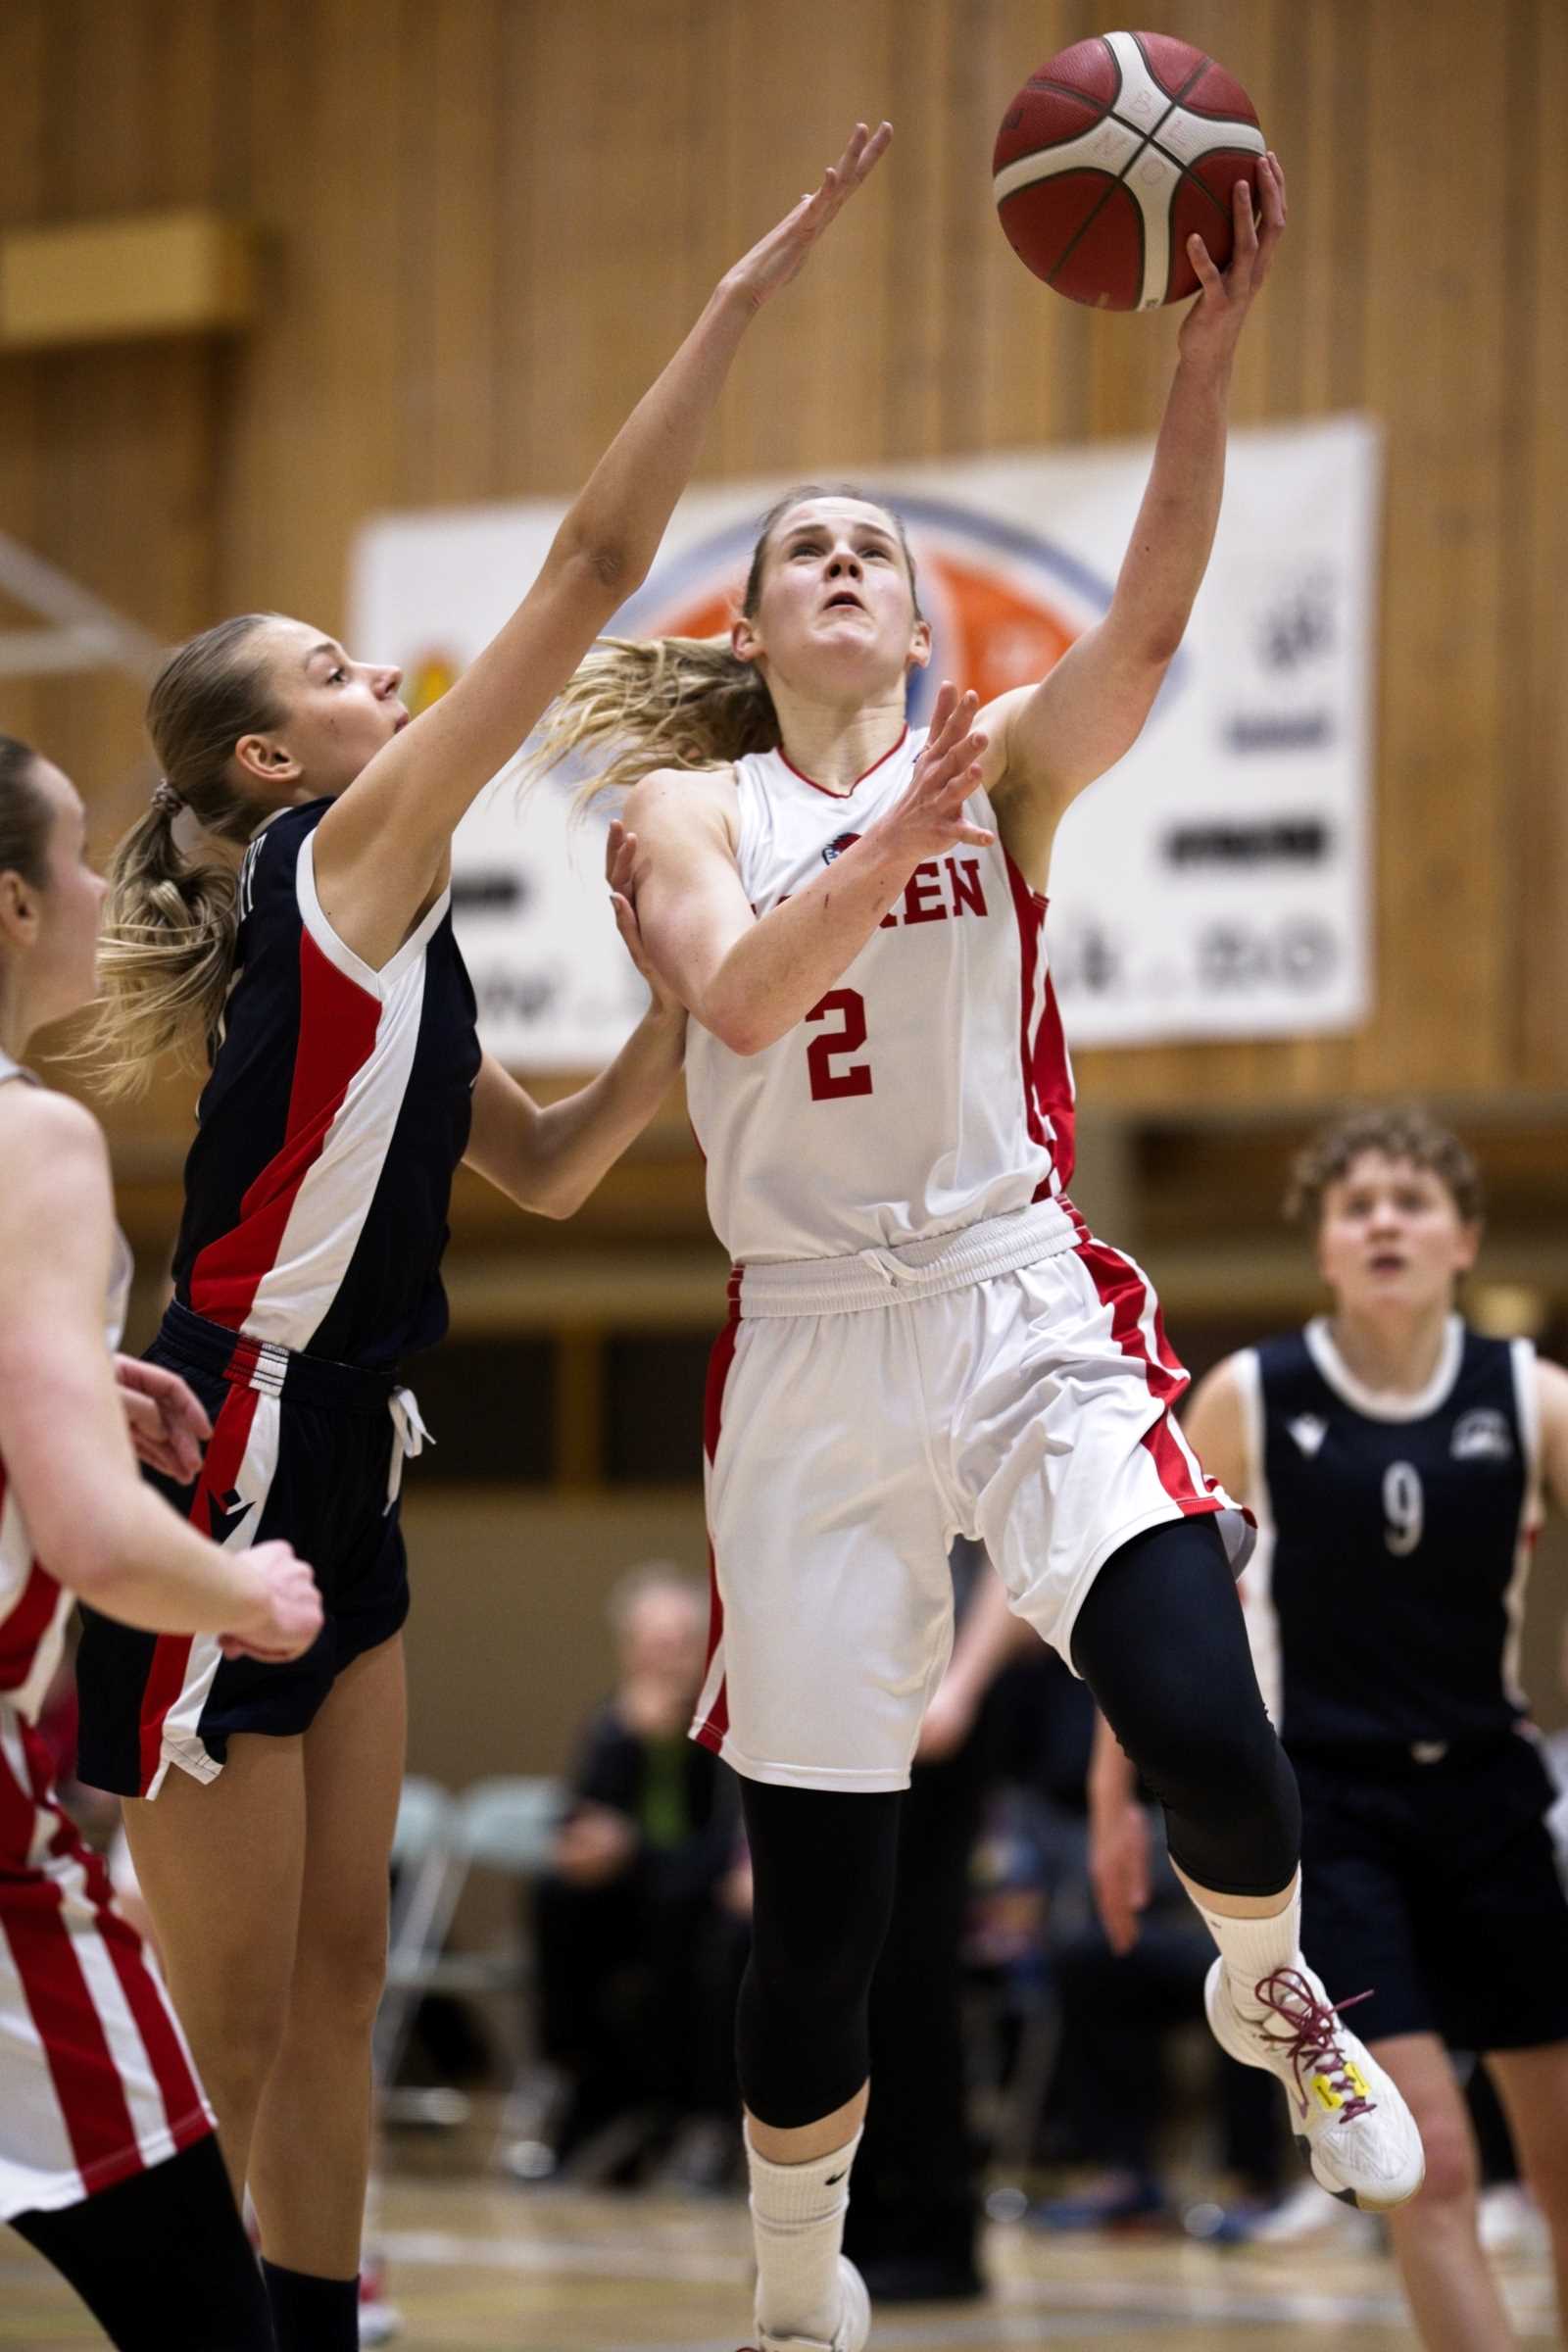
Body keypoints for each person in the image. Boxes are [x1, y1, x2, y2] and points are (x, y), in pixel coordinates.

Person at [531, 152, 1423, 2352]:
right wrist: (883, 834)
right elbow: (735, 1000)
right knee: (819, 1920)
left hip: (1017, 1297)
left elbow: (1141, 619)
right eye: (800, 553)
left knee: (1215, 1735)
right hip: (809, 1356)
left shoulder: (992, 768)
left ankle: (1265, 1987)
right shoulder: (682, 815)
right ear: (749, 633)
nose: (842, 565)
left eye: (874, 551)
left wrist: (1201, 367)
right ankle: (784, 2276)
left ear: (920, 625)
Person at [69, 121, 892, 2352]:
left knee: (343, 1985)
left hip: (358, 1449)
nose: (380, 675)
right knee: (226, 2028)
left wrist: (674, 1019)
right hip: (220, 1435)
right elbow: (591, 559)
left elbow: (534, 1167)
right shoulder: (337, 860)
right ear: (272, 755)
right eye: (340, 662)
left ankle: (314, 2322)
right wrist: (728, 309)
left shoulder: (400, 932)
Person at [1091, 1105, 1568, 2349]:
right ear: (1324, 1248)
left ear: (1464, 1238)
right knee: (1435, 2167)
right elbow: (1148, 1607)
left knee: (1564, 2169)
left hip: (1494, 1798)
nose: (1385, 1223)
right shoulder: (1255, 1395)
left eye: (1412, 1202)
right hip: (1336, 1816)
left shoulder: (1535, 1398)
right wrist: (1113, 1795)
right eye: (1357, 1206)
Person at [0, 733, 322, 2350]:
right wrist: (245, 1587)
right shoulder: (33, 1140)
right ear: (6, 908)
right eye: (67, 861)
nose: (93, 888)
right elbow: (89, 1532)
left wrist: (37, 1372)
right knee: (213, 2325)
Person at [529, 1561, 749, 2186]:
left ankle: (701, 2118)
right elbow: (577, 1821)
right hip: (638, 1897)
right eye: (652, 1646)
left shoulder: (725, 1724)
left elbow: (721, 1846)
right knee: (558, 1895)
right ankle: (577, 2084)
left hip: (703, 1897)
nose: (665, 1662)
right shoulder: (612, 1724)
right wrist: (626, 1742)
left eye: (680, 1646)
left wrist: (630, 1850)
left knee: (698, 1926)